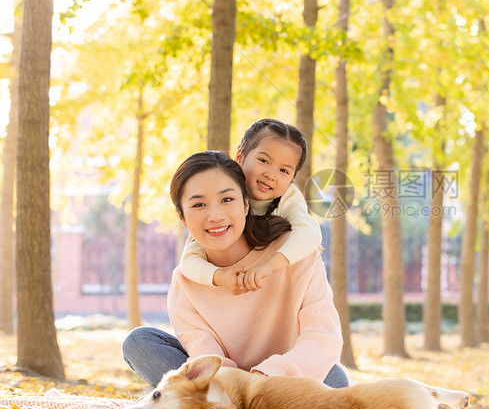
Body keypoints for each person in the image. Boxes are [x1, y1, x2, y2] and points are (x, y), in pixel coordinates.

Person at [122, 151, 348, 388]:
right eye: (199, 204)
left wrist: (263, 382)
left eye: (227, 200)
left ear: (246, 204)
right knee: (139, 342)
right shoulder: (185, 282)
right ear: (182, 217)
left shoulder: (293, 253)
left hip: (284, 382)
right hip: (227, 388)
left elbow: (322, 337)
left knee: (334, 379)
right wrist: (239, 390)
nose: (215, 216)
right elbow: (208, 360)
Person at [180, 119, 322, 293]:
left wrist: (268, 267)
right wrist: (221, 277)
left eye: (284, 171)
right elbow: (188, 261)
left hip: (275, 285)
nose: (271, 175)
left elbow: (310, 233)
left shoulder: (287, 197)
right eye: (264, 161)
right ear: (239, 157)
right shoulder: (221, 190)